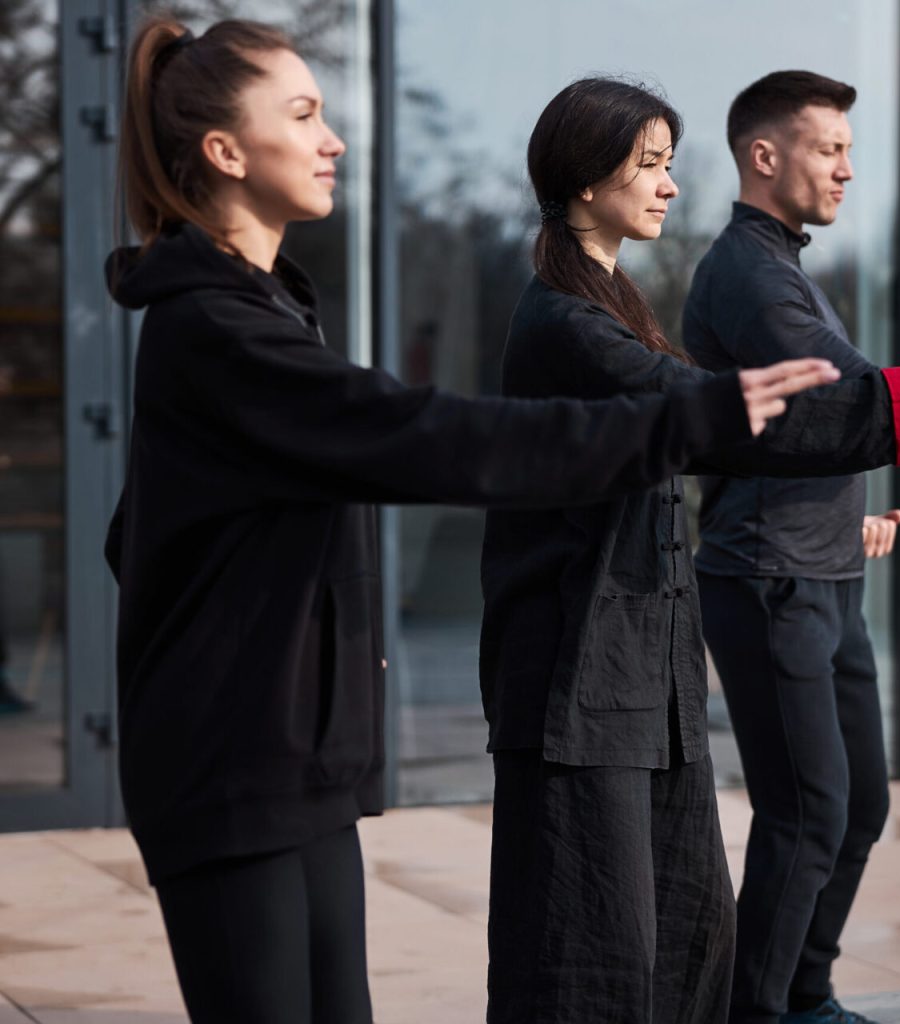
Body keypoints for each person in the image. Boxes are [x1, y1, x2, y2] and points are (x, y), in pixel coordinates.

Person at [103, 20, 852, 1024]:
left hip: (296, 754)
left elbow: (139, 529)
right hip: (233, 761)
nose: (332, 139)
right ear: (225, 153)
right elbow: (425, 435)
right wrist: (709, 410)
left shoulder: (270, 308)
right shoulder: (214, 327)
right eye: (303, 114)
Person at [684, 70, 900, 1024]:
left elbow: (857, 402)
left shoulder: (788, 270)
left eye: (846, 149)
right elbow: (841, 407)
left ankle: (804, 995)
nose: (846, 168)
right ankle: (759, 1014)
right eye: (828, 148)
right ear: (765, 155)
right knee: (807, 813)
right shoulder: (749, 274)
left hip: (824, 569)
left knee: (858, 805)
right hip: (768, 576)